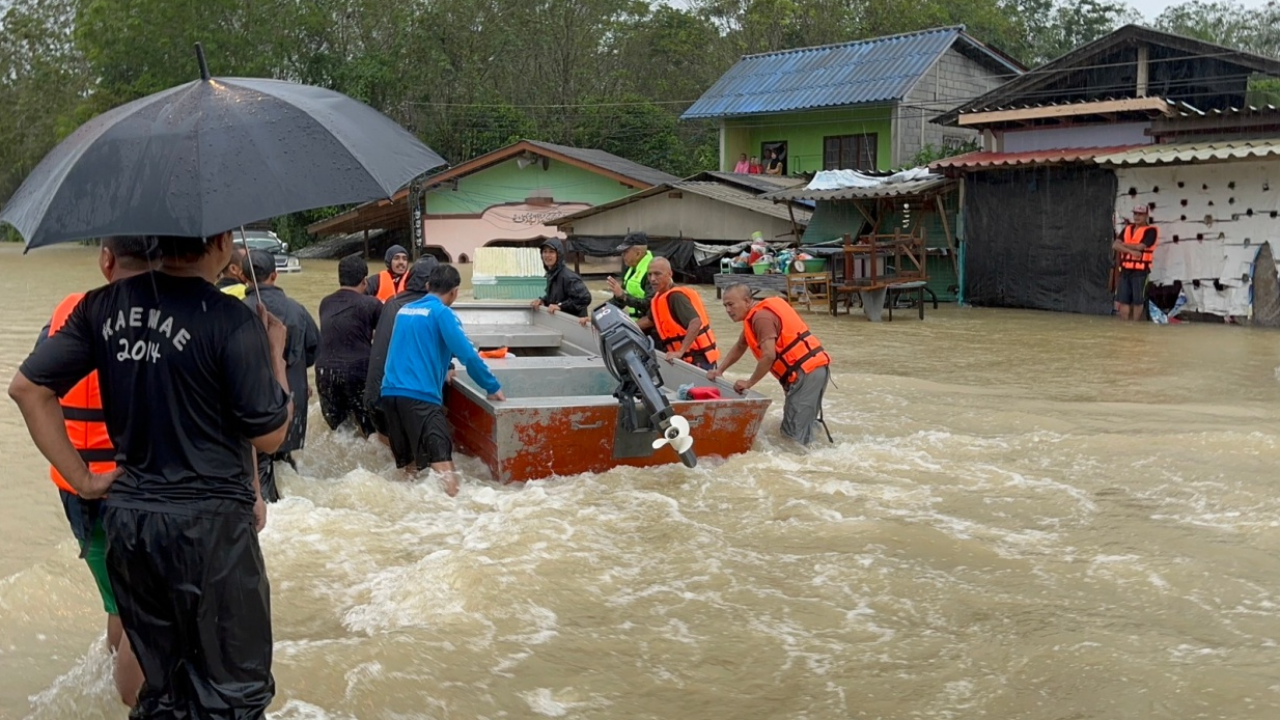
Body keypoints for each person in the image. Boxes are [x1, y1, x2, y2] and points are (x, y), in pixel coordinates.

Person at [10, 231, 293, 720]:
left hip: (133, 523)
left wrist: (82, 479)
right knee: (234, 691)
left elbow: (28, 389)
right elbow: (270, 436)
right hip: (212, 533)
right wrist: (275, 356)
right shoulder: (230, 320)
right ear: (223, 241)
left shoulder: (101, 308)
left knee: (160, 687)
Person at [36, 237, 156, 708]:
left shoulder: (65, 315)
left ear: (106, 260)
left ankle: (112, 681)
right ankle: (133, 693)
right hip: (131, 485)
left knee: (115, 598)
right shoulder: (162, 322)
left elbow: (30, 391)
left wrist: (83, 479)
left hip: (76, 486)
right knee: (143, 602)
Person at [380, 264, 505, 496]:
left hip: (389, 396)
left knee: (410, 471)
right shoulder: (442, 313)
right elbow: (467, 355)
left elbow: (410, 349)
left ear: (428, 286)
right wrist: (492, 386)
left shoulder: (404, 311)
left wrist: (444, 364)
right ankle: (456, 519)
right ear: (454, 291)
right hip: (420, 398)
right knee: (444, 468)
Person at [708, 283, 832, 446]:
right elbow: (740, 346)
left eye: (731, 304)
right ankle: (817, 451)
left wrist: (749, 383)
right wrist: (720, 370)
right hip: (810, 371)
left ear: (747, 301)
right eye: (725, 306)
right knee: (800, 427)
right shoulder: (754, 317)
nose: (728, 310)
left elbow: (768, 356)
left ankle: (803, 464)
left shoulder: (761, 318)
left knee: (791, 436)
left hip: (806, 372)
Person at [244, 249, 319, 501]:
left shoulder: (236, 311)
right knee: (285, 461)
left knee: (259, 465)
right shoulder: (297, 309)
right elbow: (314, 347)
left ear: (243, 277)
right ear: (275, 275)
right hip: (292, 393)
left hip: (252, 399)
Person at [365, 256, 439, 438]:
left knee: (392, 452)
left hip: (375, 397)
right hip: (401, 397)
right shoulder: (429, 309)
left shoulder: (391, 303)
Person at [316, 254, 382, 436]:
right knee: (370, 431)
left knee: (339, 432)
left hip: (325, 372)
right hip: (358, 371)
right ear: (365, 281)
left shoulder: (325, 303)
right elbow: (385, 337)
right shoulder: (371, 304)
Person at [640, 257, 719, 371]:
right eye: (649, 274)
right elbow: (649, 321)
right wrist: (626, 325)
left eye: (657, 274)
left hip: (698, 360)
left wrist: (680, 352)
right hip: (685, 359)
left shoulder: (676, 297)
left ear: (670, 274)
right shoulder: (658, 298)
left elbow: (695, 322)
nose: (652, 279)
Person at [1112, 204, 1158, 321]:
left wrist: (1124, 245)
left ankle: (1135, 325)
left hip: (1140, 271)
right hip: (1125, 269)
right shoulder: (1127, 228)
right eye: (1135, 214)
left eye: (1140, 214)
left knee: (1138, 301)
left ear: (1146, 216)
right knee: (1123, 300)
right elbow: (1115, 245)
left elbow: (1140, 247)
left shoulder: (1151, 231)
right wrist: (1131, 252)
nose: (1137, 217)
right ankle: (1126, 327)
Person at [530, 238, 592, 318]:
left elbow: (585, 298)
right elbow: (556, 297)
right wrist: (543, 301)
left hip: (574, 325)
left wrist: (561, 306)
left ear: (558, 255)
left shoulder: (568, 277)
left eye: (551, 252)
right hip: (560, 324)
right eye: (545, 252)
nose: (547, 255)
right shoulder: (552, 275)